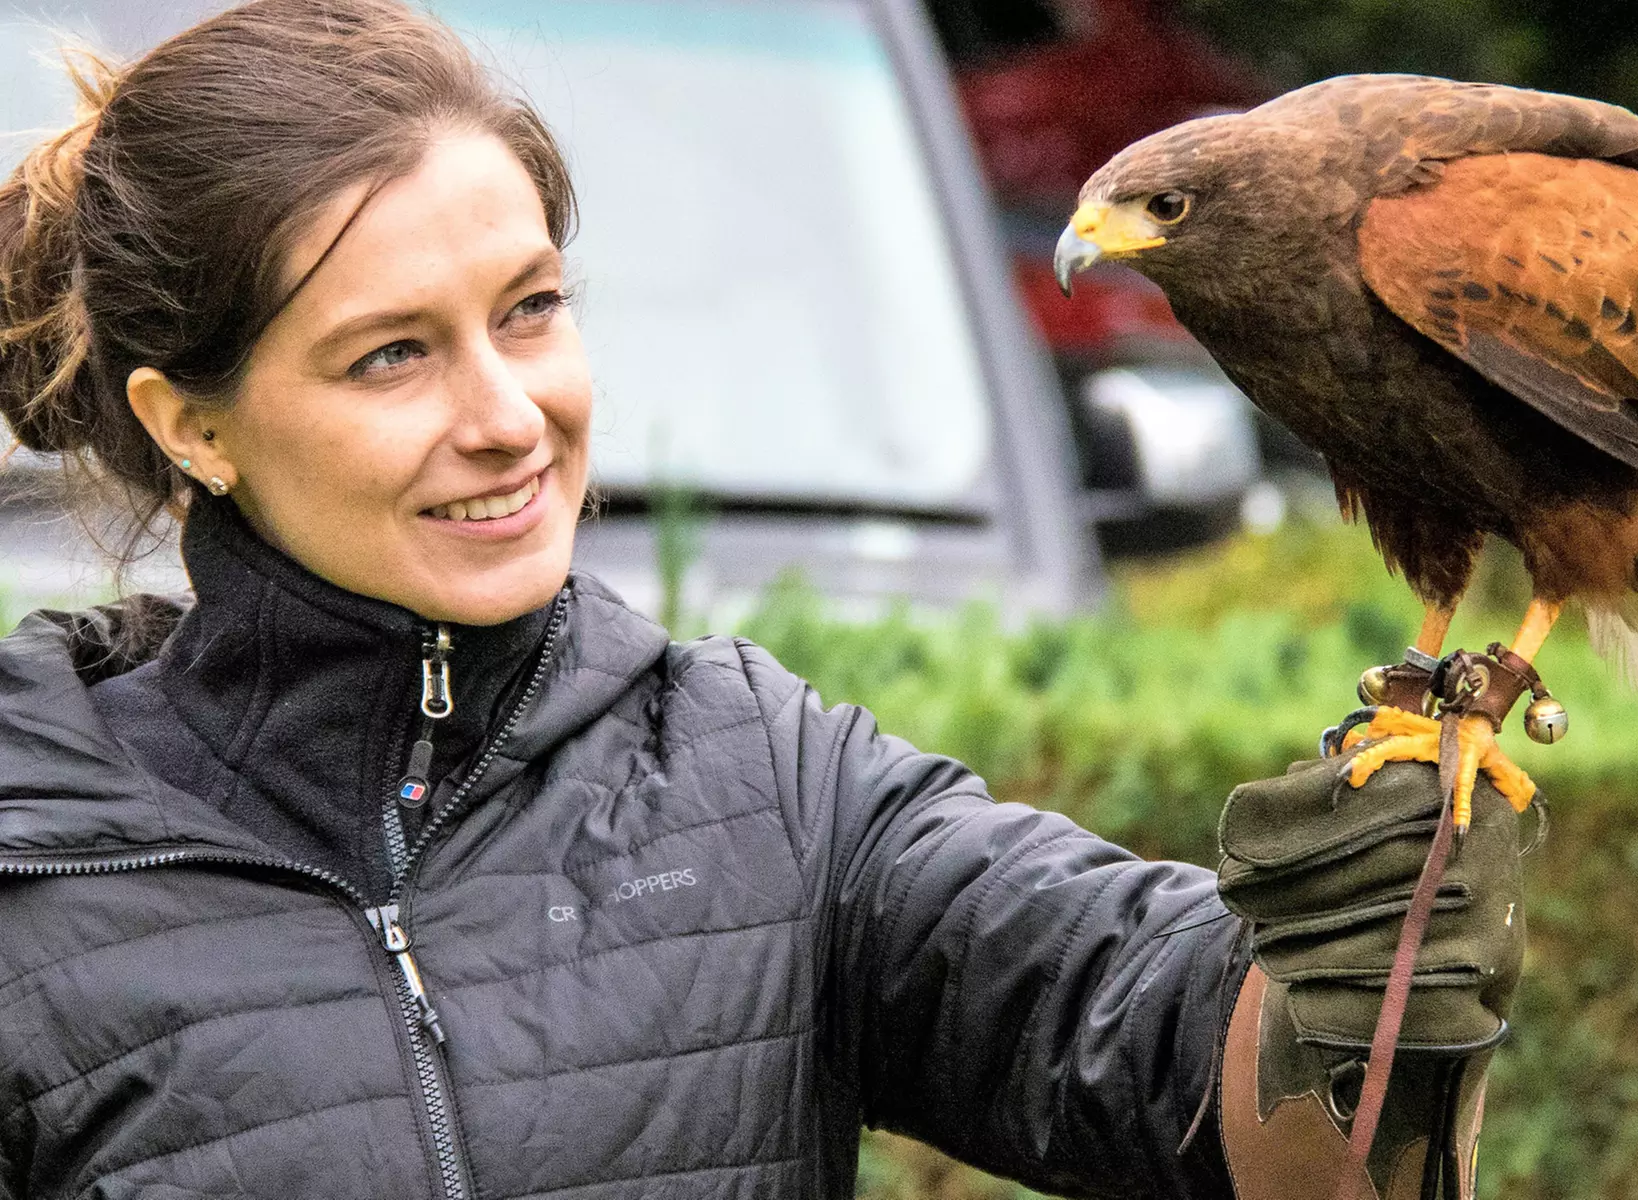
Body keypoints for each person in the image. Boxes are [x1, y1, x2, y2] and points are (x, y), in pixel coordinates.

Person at [0, 2, 1525, 1196]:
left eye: (529, 312)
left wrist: (1353, 962)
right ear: (192, 423)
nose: (509, 416)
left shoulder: (754, 777)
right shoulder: (35, 854)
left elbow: (1184, 1065)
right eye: (392, 353)